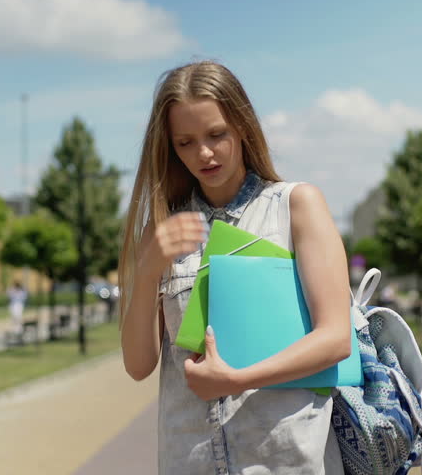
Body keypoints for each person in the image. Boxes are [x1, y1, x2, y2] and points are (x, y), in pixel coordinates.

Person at [118, 60, 350, 475]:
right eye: (185, 142)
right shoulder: (163, 229)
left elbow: (335, 338)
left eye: (216, 134)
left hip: (284, 461)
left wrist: (238, 379)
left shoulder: (295, 206)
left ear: (242, 126)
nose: (203, 153)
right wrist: (149, 267)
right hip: (189, 461)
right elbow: (138, 366)